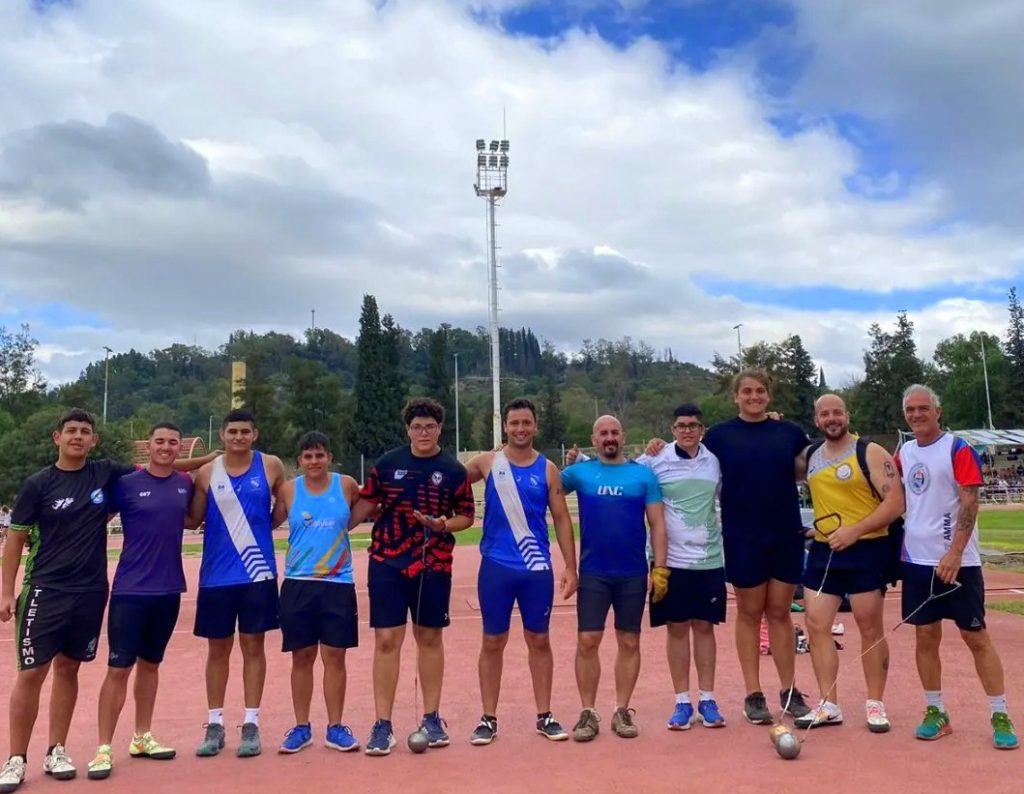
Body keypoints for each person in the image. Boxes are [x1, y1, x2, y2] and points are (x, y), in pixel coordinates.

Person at [0, 409, 208, 792]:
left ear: (94, 440)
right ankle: (15, 758)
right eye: (71, 431)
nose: (78, 437)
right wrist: (6, 591)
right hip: (45, 588)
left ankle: (57, 749)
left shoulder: (105, 473)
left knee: (68, 670)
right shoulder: (38, 484)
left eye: (85, 432)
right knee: (31, 673)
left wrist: (213, 460)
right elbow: (14, 540)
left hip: (91, 590)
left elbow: (162, 463)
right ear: (57, 438)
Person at [647, 371, 811, 723]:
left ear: (770, 395)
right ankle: (753, 694)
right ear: (736, 396)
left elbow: (807, 468)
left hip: (785, 534)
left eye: (760, 391)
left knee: (781, 613)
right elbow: (684, 449)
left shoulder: (791, 433)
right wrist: (658, 445)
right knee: (750, 613)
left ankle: (789, 690)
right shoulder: (719, 437)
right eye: (747, 391)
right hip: (742, 537)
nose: (754, 396)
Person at [348, 398, 475, 756]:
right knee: (387, 639)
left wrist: (443, 525)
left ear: (439, 429)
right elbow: (366, 503)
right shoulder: (388, 463)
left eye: (430, 427)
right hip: (387, 561)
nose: (423, 432)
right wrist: (335, 528)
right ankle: (382, 724)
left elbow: (466, 516)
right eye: (417, 426)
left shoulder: (453, 470)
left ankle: (432, 717)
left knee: (429, 637)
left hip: (433, 563)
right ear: (408, 429)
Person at [897, 384, 1017, 750]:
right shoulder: (904, 451)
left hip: (958, 562)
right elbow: (897, 498)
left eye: (923, 408)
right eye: (910, 410)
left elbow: (969, 501)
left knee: (975, 637)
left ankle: (999, 713)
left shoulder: (957, 448)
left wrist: (954, 552)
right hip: (916, 560)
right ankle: (936, 711)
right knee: (925, 637)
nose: (917, 415)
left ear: (938, 411)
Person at [462, 398, 579, 746]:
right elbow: (448, 479)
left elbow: (561, 518)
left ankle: (545, 715)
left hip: (535, 568)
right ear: (505, 427)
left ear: (535, 426)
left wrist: (571, 567)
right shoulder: (486, 462)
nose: (520, 429)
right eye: (514, 423)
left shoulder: (548, 469)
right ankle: (488, 718)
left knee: (539, 640)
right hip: (496, 567)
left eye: (526, 423)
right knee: (492, 640)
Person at [87, 423, 199, 780]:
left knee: (151, 666)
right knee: (118, 670)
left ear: (180, 447)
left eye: (172, 442)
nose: (166, 447)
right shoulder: (125, 485)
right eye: (159, 442)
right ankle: (103, 748)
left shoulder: (186, 484)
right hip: (130, 591)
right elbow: (93, 520)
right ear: (147, 447)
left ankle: (142, 736)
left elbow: (195, 518)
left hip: (168, 591)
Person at [795, 395, 904, 732]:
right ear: (816, 420)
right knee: (816, 624)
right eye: (825, 414)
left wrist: (856, 530)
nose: (832, 418)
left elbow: (896, 502)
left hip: (866, 549)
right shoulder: (810, 456)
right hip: (826, 551)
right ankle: (829, 704)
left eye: (837, 412)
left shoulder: (869, 451)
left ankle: (875, 703)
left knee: (869, 626)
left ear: (847, 415)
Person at [561, 415, 668, 742]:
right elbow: (544, 486)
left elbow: (658, 525)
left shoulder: (643, 475)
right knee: (587, 641)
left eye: (615, 432)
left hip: (633, 574)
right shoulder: (578, 473)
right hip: (593, 573)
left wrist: (660, 569)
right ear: (593, 439)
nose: (609, 438)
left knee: (629, 641)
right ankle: (588, 712)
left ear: (624, 436)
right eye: (603, 433)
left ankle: (622, 710)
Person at [188, 409, 286, 759]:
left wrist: (262, 530)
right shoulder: (205, 473)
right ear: (223, 436)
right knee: (217, 650)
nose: (239, 437)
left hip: (258, 573)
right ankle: (214, 722)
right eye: (233, 432)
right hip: (216, 575)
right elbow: (194, 518)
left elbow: (283, 507)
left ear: (255, 434)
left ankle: (251, 722)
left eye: (245, 431)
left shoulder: (271, 465)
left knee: (253, 647)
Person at [640, 404, 728, 731]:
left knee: (705, 627)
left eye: (693, 425)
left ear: (702, 428)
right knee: (677, 628)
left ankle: (707, 698)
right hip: (669, 562)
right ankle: (681, 701)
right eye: (681, 425)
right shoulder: (656, 459)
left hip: (709, 559)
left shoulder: (714, 461)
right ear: (673, 429)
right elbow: (624, 475)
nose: (687, 430)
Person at [272, 432, 361, 754]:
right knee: (302, 657)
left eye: (319, 455)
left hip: (337, 583)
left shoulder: (347, 485)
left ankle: (335, 727)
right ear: (299, 461)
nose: (314, 461)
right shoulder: (288, 490)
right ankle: (301, 727)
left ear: (329, 457)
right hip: (298, 583)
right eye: (308, 456)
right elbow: (266, 522)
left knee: (335, 657)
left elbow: (370, 507)